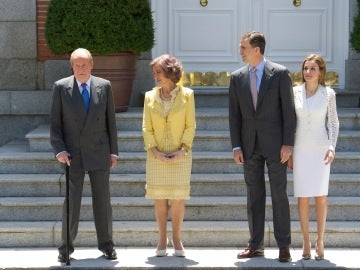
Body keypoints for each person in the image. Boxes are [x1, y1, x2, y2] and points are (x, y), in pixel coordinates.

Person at [228, 31, 296, 262]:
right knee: (253, 196)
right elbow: (234, 116)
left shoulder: (280, 73)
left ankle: (284, 245)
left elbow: (289, 112)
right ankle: (255, 245)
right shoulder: (237, 77)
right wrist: (236, 146)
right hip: (249, 147)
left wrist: (289, 144)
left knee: (279, 195)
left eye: (243, 47)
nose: (240, 51)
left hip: (277, 146)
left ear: (257, 49)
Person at [50, 48, 118, 262]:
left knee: (102, 201)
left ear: (92, 65)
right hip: (73, 153)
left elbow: (111, 122)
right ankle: (66, 247)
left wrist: (113, 151)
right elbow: (55, 123)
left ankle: (107, 245)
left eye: (84, 65)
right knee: (72, 202)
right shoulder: (61, 87)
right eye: (77, 65)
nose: (80, 69)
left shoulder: (104, 86)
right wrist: (59, 149)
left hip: (99, 151)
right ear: (72, 66)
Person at [142, 54, 196, 257]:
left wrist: (183, 150)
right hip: (156, 156)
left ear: (171, 72)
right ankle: (161, 240)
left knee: (178, 198)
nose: (156, 76)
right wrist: (154, 151)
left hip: (181, 155)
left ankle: (177, 239)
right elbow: (146, 127)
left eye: (159, 72)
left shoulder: (188, 95)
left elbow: (191, 125)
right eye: (154, 72)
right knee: (159, 198)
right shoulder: (149, 96)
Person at [288, 54, 339, 260]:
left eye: (312, 69)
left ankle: (320, 239)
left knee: (320, 196)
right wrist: (289, 150)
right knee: (302, 196)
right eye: (305, 68)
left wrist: (332, 147)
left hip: (320, 150)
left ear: (321, 72)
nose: (308, 72)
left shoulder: (329, 94)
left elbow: (334, 123)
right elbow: (289, 124)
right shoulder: (294, 93)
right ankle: (306, 241)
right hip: (300, 149)